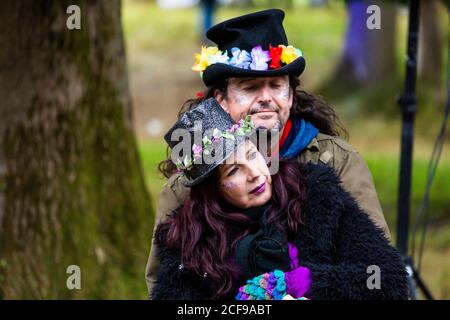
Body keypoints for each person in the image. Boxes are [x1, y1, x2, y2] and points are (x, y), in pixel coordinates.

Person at [146, 8, 391, 295]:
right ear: (221, 100)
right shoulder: (187, 186)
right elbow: (164, 287)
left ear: (291, 94)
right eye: (250, 88)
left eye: (276, 85)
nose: (266, 98)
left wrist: (302, 286)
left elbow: (376, 271)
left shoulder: (336, 162)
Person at [151, 98, 408, 300]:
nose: (255, 173)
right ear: (212, 192)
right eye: (233, 171)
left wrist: (302, 283)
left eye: (252, 155)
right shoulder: (188, 241)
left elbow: (387, 277)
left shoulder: (315, 193)